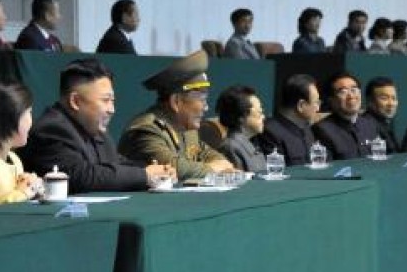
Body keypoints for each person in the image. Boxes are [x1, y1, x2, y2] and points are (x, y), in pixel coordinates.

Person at [21, 58, 174, 191]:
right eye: (105, 100)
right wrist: (145, 175)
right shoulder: (51, 129)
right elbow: (81, 176)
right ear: (75, 101)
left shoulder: (95, 130)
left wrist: (157, 170)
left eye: (112, 101)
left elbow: (116, 163)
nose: (112, 110)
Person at [118, 50, 233, 179]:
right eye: (201, 99)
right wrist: (214, 168)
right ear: (176, 101)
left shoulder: (186, 128)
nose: (206, 107)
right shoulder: (146, 130)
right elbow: (173, 168)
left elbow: (207, 153)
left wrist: (221, 164)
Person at [254, 73, 320, 167]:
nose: (318, 109)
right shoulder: (270, 132)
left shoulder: (306, 128)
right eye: (316, 103)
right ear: (301, 105)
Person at [312, 72, 379, 160]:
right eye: (343, 92)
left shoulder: (370, 125)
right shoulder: (322, 130)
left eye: (354, 90)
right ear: (331, 100)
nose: (351, 96)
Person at [215, 85, 267, 172]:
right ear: (241, 116)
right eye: (260, 112)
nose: (263, 117)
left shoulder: (249, 144)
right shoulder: (231, 148)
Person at [364, 76, 401, 153]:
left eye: (394, 98)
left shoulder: (385, 123)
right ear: (369, 101)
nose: (391, 104)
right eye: (384, 98)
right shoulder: (367, 127)